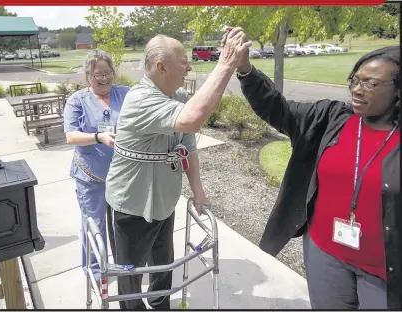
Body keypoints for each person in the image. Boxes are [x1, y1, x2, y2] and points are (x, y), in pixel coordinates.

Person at [229, 31, 400, 310]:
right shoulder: (329, 118)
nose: (357, 89)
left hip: (383, 270)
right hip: (325, 254)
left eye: (371, 84)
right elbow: (277, 108)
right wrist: (245, 69)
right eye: (354, 81)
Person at [105, 29, 251, 310]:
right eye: (183, 61)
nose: (189, 66)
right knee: (130, 277)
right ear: (162, 67)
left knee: (163, 269)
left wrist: (198, 191)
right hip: (131, 207)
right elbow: (194, 119)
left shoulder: (178, 95)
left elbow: (188, 146)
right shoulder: (140, 100)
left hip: (164, 203)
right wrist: (225, 63)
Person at [63, 49, 130, 286]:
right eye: (96, 74)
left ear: (113, 72)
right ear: (87, 76)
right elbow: (70, 136)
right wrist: (98, 137)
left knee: (123, 225)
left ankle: (123, 264)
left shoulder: (125, 94)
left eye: (107, 72)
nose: (103, 78)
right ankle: (94, 270)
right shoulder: (77, 100)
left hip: (122, 175)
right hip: (91, 177)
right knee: (95, 224)